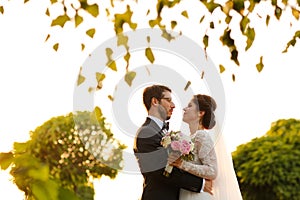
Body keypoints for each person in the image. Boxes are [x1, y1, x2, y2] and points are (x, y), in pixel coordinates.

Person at [133, 85, 212, 200]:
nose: (173, 105)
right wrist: (201, 184)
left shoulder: (163, 132)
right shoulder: (146, 132)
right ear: (155, 101)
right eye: (168, 100)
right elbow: (162, 171)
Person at [169, 94, 243, 200]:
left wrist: (182, 164)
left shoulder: (202, 136)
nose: (184, 108)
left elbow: (212, 171)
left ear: (201, 113)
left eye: (190, 106)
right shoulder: (186, 138)